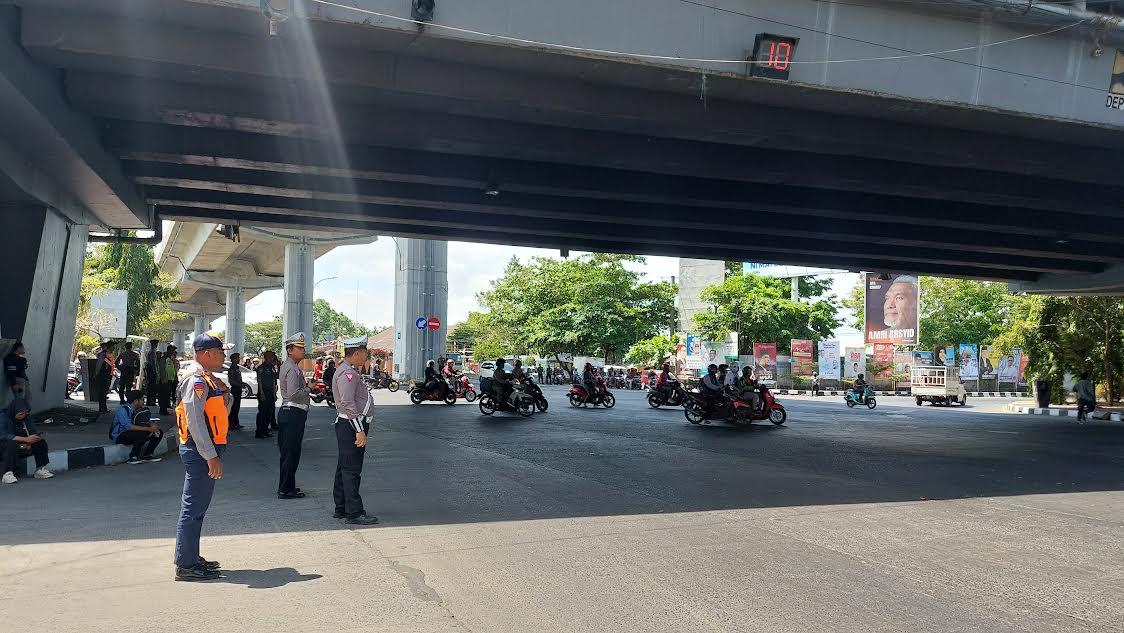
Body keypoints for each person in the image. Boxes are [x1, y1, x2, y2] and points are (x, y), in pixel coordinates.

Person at [173, 332, 232, 581]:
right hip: (200, 452)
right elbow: (195, 421)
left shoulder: (207, 379)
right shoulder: (196, 380)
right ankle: (186, 564)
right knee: (193, 508)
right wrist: (210, 456)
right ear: (206, 354)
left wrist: (225, 391)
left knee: (197, 507)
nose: (223, 356)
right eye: (220, 352)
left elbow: (219, 411)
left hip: (204, 449)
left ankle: (191, 557)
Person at [332, 336, 378, 525]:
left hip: (349, 424)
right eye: (365, 352)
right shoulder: (347, 373)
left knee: (344, 467)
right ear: (357, 353)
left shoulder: (347, 370)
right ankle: (354, 512)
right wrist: (359, 430)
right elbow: (348, 403)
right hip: (352, 425)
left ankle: (341, 507)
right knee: (352, 470)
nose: (366, 356)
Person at [277, 333, 310, 499]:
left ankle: (288, 485)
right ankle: (285, 489)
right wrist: (309, 389)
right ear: (290, 350)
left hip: (292, 413)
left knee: (291, 452)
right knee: (291, 452)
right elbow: (292, 394)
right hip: (293, 412)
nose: (303, 351)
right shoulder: (292, 368)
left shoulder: (291, 366)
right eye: (299, 348)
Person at [0, 398, 53, 483]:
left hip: (22, 445)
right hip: (4, 446)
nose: (23, 416)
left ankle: (40, 469)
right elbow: (3, 435)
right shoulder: (3, 417)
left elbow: (32, 432)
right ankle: (7, 473)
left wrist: (31, 441)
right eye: (21, 414)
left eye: (26, 413)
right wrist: (26, 439)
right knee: (11, 444)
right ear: (14, 411)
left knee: (40, 442)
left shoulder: (26, 418)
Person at [111, 390, 164, 464]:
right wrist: (148, 429)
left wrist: (153, 426)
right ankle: (133, 457)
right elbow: (129, 426)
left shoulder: (139, 410)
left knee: (159, 432)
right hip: (120, 435)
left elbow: (145, 421)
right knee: (142, 433)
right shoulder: (123, 410)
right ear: (136, 401)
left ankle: (147, 454)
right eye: (142, 399)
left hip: (132, 433)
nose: (143, 402)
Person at [255, 350, 278, 439]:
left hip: (270, 393)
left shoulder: (271, 367)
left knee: (269, 412)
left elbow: (273, 381)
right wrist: (261, 393)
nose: (272, 358)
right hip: (263, 392)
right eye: (270, 356)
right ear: (266, 357)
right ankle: (259, 432)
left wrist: (274, 394)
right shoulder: (261, 368)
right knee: (262, 413)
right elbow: (259, 381)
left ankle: (265, 430)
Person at [159, 344, 179, 415]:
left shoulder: (170, 359)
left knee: (167, 395)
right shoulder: (164, 359)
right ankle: (163, 410)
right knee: (164, 395)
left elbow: (173, 370)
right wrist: (164, 380)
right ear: (169, 350)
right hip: (165, 380)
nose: (174, 351)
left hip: (170, 380)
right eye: (173, 350)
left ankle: (165, 408)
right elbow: (162, 370)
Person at [226, 352, 244, 430]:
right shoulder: (232, 369)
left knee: (237, 407)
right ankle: (232, 424)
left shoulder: (237, 368)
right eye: (237, 358)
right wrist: (240, 384)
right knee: (234, 408)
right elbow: (231, 381)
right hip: (235, 389)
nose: (239, 359)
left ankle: (236, 423)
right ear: (233, 359)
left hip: (238, 389)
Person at [144, 340, 160, 407]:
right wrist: (155, 372)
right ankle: (150, 401)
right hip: (151, 370)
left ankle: (150, 401)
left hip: (149, 370)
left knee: (150, 387)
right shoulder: (152, 352)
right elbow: (153, 363)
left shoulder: (149, 351)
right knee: (152, 387)